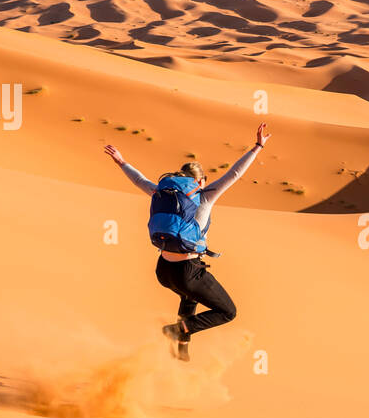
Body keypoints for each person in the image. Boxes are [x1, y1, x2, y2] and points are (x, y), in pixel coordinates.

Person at [104, 122, 270, 360]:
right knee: (227, 311)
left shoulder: (164, 193)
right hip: (188, 272)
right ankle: (175, 331)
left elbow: (139, 180)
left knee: (188, 299)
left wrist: (121, 161)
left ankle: (182, 349)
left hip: (163, 270)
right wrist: (257, 147)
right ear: (200, 181)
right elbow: (234, 174)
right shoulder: (205, 196)